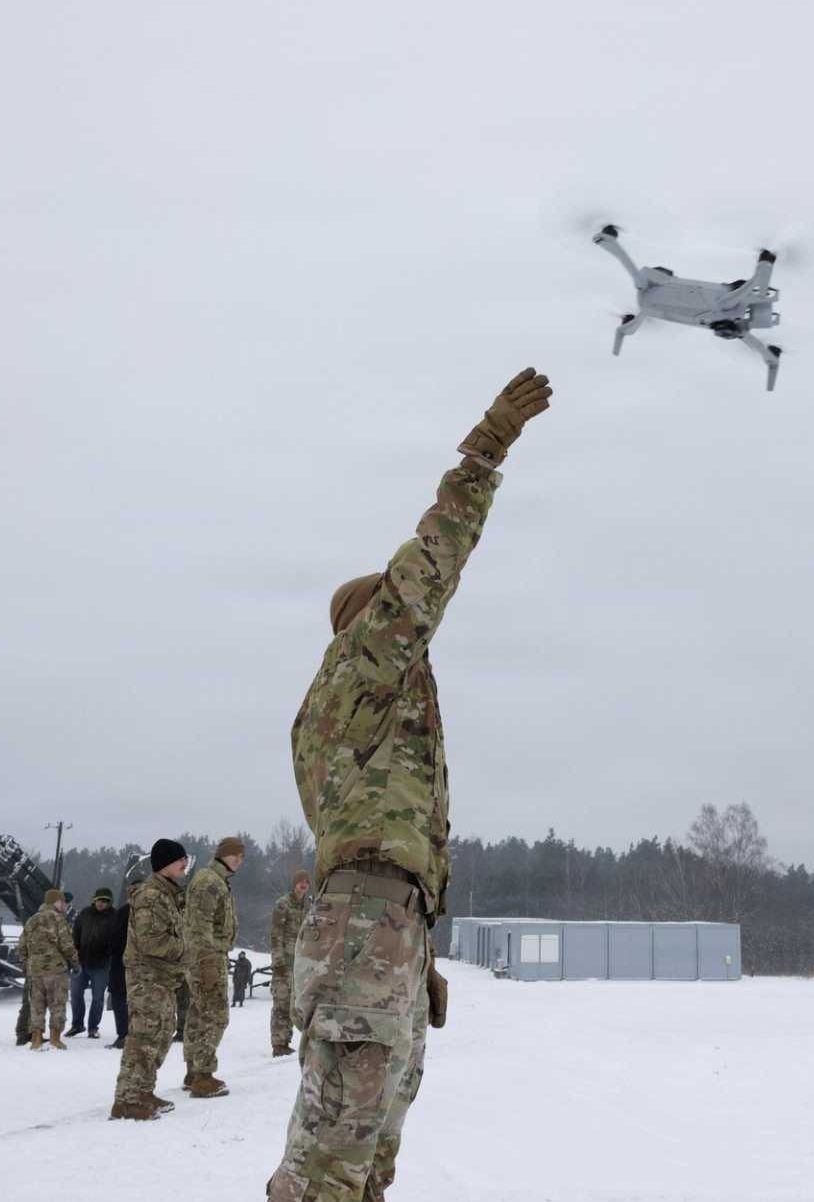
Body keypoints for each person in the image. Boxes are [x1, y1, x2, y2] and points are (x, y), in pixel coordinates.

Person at [266, 367, 550, 1202]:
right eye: (402, 625)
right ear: (373, 623)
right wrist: (488, 446)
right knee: (329, 1169)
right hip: (363, 937)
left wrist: (412, 945)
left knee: (367, 1159)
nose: (418, 640)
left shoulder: (371, 709)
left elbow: (380, 834)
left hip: (379, 933)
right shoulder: (363, 666)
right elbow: (434, 560)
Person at [110, 838, 189, 1120]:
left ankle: (144, 1090)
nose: (185, 864)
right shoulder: (150, 896)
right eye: (180, 860)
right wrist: (186, 948)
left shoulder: (168, 894)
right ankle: (127, 1099)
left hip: (164, 978)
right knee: (144, 1036)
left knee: (160, 1033)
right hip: (147, 977)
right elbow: (150, 941)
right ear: (166, 863)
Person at [184, 836, 245, 1099]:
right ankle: (203, 1075)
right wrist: (208, 961)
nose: (239, 861)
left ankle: (193, 1071)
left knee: (199, 1013)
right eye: (235, 856)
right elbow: (200, 926)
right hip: (207, 957)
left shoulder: (217, 881)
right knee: (215, 1014)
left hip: (206, 957)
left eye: (242, 857)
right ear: (222, 855)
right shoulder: (209, 882)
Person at [18, 887, 79, 1050]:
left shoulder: (32, 920)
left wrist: (27, 964)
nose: (65, 906)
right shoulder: (59, 919)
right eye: (63, 903)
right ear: (57, 902)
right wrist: (75, 963)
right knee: (57, 1004)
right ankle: (55, 1039)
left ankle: (36, 1040)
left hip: (35, 971)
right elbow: (67, 945)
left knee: (36, 1006)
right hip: (56, 971)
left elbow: (21, 947)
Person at [268, 869, 312, 1056]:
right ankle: (279, 1043)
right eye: (300, 881)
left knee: (300, 1004)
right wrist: (278, 961)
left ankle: (296, 1041)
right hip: (285, 962)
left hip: (302, 963)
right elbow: (276, 934)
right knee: (282, 1003)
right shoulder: (283, 904)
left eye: (306, 882)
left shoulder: (310, 906)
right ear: (294, 883)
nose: (303, 884)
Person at [68, 887, 117, 1039]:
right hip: (81, 962)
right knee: (75, 994)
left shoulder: (115, 916)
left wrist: (109, 954)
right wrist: (74, 953)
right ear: (94, 900)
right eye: (99, 900)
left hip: (101, 965)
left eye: (105, 901)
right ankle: (77, 1025)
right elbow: (76, 933)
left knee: (97, 998)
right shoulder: (84, 914)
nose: (101, 903)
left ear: (109, 902)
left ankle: (93, 1027)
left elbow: (118, 939)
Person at [106, 885, 131, 1049]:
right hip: (138, 966)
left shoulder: (121, 913)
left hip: (121, 963)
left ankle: (124, 1035)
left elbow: (112, 940)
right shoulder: (154, 912)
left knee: (120, 1000)